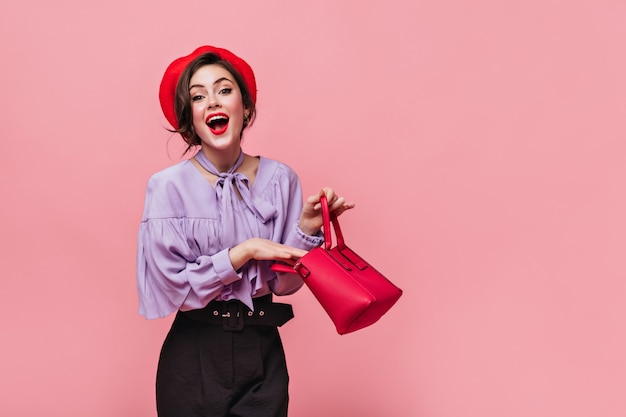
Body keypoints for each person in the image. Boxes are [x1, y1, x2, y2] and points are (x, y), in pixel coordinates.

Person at [136, 45, 354, 417]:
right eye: (198, 96)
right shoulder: (167, 187)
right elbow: (173, 288)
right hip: (193, 356)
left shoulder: (280, 179)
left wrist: (305, 229)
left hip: (262, 348)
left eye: (224, 90)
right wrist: (245, 250)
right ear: (190, 118)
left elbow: (284, 285)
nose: (212, 101)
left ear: (245, 108)